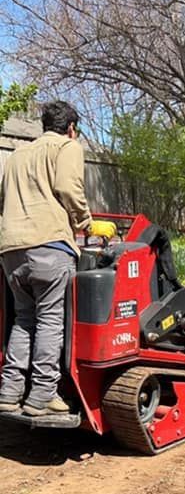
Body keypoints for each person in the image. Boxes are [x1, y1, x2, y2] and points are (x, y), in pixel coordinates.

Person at [0, 100, 113, 416]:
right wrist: (85, 222)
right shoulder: (67, 147)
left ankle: (9, 393)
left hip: (10, 250)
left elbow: (3, 199)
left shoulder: (17, 156)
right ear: (72, 128)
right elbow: (67, 186)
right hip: (48, 246)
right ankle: (42, 396)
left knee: (25, 318)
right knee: (51, 318)